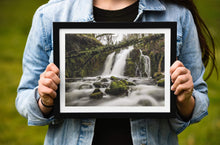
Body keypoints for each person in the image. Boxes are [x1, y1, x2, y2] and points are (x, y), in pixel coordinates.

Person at [16, 0, 217, 145]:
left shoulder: (178, 14)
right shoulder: (50, 15)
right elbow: (25, 95)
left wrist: (184, 100)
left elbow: (199, 99)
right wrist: (45, 101)